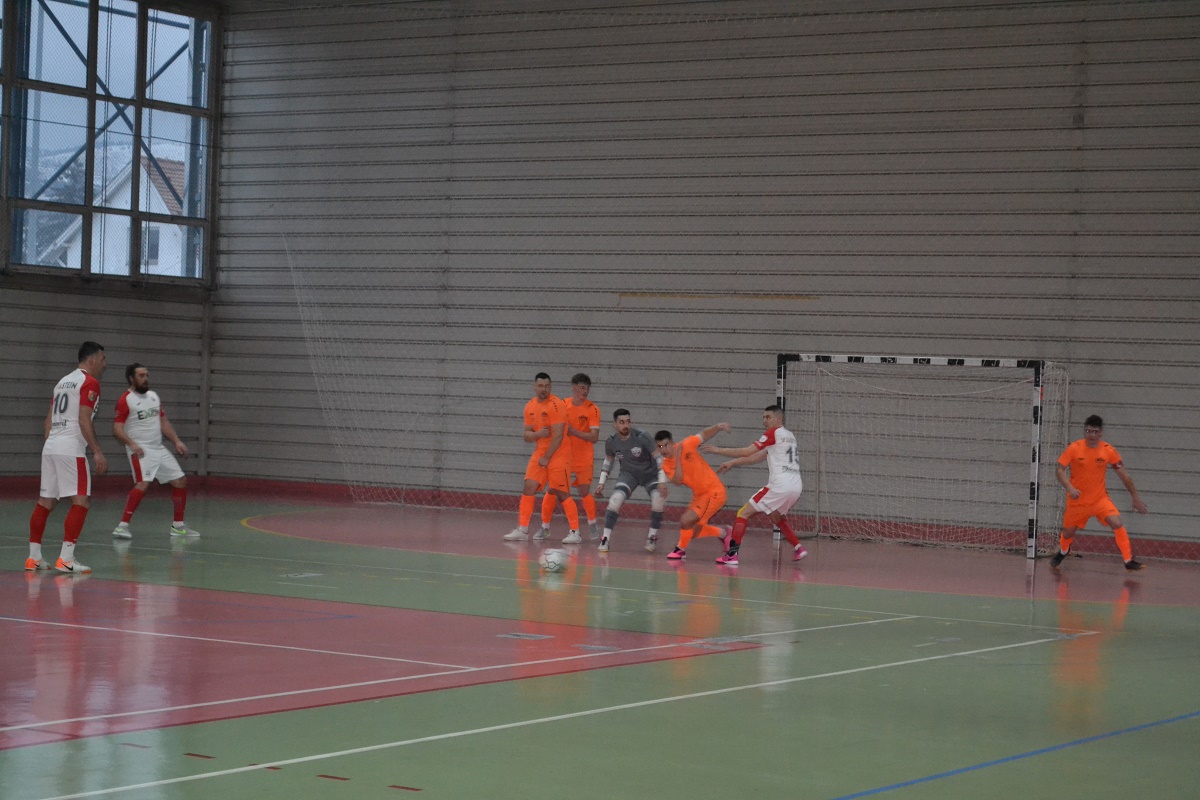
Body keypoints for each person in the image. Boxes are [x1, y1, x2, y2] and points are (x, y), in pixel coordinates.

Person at [26, 342, 109, 575]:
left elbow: (48, 420)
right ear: (92, 359)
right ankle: (66, 558)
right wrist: (97, 451)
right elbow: (84, 419)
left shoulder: (62, 382)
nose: (105, 364)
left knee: (46, 501)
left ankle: (33, 558)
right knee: (81, 500)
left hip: (52, 446)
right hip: (71, 448)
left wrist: (52, 444)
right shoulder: (89, 382)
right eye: (103, 359)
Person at [702, 404, 808, 565]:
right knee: (776, 516)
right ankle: (799, 548)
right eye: (763, 418)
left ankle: (732, 555)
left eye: (768, 417)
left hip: (780, 485)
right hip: (796, 486)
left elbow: (747, 451)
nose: (764, 421)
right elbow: (756, 457)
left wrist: (718, 450)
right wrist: (732, 463)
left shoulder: (773, 433)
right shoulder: (789, 435)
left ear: (779, 419)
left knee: (743, 513)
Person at [111, 363, 199, 540]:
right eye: (141, 375)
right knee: (143, 483)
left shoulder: (153, 396)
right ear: (131, 379)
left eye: (146, 375)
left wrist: (176, 441)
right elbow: (117, 429)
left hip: (158, 448)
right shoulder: (126, 400)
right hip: (140, 450)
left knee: (180, 481)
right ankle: (122, 526)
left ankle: (178, 526)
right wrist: (132, 444)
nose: (145, 379)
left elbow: (163, 422)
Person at [1051, 415, 1149, 571]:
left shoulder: (1108, 450)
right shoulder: (1074, 448)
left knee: (1117, 523)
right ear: (1085, 431)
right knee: (1068, 533)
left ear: (1101, 433)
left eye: (1095, 432)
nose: (1091, 435)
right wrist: (1070, 488)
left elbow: (1124, 475)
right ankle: (1064, 551)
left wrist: (1135, 497)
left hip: (1099, 500)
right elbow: (1059, 470)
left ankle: (1128, 560)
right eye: (1088, 431)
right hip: (1077, 501)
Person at [504, 373, 581, 543]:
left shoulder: (556, 405)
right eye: (540, 386)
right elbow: (527, 435)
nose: (543, 389)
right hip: (540, 452)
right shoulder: (530, 406)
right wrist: (538, 434)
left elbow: (558, 435)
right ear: (534, 387)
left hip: (559, 454)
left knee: (562, 492)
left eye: (547, 386)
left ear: (550, 387)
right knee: (529, 486)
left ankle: (575, 532)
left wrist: (547, 457)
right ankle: (522, 530)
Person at [654, 423, 734, 560]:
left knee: (686, 520)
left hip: (714, 492)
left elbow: (704, 434)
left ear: (672, 443)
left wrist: (718, 427)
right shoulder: (666, 465)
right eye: (660, 447)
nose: (664, 449)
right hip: (700, 496)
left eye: (666, 445)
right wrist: (678, 459)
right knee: (691, 530)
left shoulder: (687, 444)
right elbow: (678, 481)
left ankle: (680, 549)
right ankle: (724, 534)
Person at [594, 409, 669, 553]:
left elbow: (660, 458)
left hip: (650, 474)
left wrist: (662, 481)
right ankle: (605, 539)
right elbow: (609, 460)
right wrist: (601, 483)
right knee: (615, 500)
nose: (626, 425)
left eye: (628, 422)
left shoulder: (642, 436)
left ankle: (652, 537)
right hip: (629, 474)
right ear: (615, 424)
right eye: (622, 422)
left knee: (658, 499)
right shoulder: (611, 441)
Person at [540, 373, 601, 542]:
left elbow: (594, 437)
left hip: (584, 457)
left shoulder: (593, 409)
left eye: (587, 388)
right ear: (573, 387)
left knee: (583, 491)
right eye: (582, 387)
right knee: (553, 489)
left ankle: (592, 522)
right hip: (563, 457)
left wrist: (574, 432)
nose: (585, 391)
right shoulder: (562, 405)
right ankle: (545, 526)